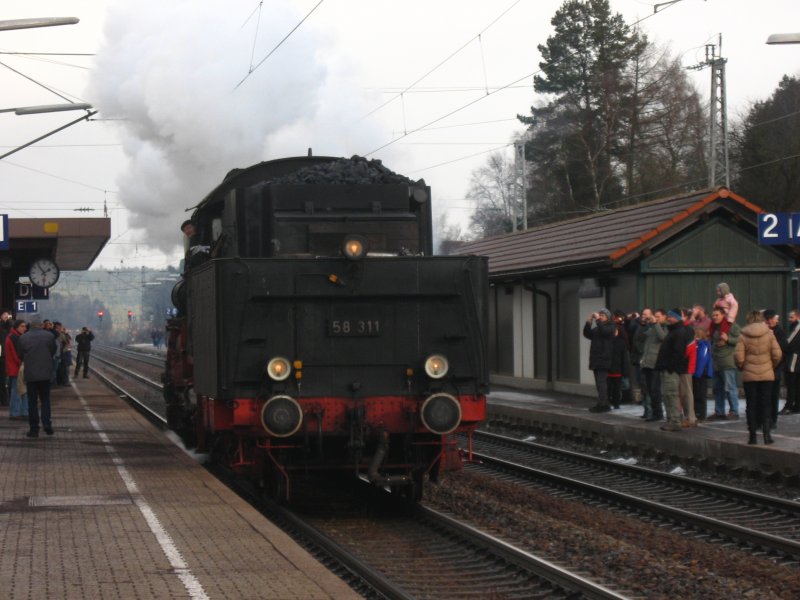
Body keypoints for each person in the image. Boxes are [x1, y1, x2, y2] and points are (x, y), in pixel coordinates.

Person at [735, 310, 782, 445]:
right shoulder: (769, 333)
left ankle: (752, 436)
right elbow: (777, 354)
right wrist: (771, 366)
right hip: (767, 375)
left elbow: (739, 357)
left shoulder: (743, 335)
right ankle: (767, 436)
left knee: (751, 404)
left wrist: (742, 367)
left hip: (750, 375)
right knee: (766, 404)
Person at [18, 319, 57, 437]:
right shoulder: (49, 336)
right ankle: (47, 424)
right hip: (45, 373)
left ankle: (34, 428)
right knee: (45, 400)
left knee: (32, 402)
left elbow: (20, 354)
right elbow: (53, 351)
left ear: (30, 325)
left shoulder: (23, 337)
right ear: (41, 325)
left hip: (31, 374)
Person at [655, 309, 690, 432]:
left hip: (671, 370)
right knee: (666, 395)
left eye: (671, 316)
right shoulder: (673, 331)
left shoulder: (678, 332)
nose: (668, 318)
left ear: (677, 317)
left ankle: (675, 421)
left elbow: (678, 353)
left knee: (671, 395)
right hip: (667, 368)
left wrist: (670, 367)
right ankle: (671, 419)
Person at [709, 307, 742, 420]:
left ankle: (734, 411)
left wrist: (728, 339)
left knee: (730, 388)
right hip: (716, 362)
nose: (714, 317)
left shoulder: (732, 326)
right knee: (717, 389)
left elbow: (741, 339)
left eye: (717, 315)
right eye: (713, 315)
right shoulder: (713, 327)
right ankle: (719, 412)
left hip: (727, 362)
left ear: (723, 315)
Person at [583, 308, 616, 413]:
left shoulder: (611, 326)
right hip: (596, 359)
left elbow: (605, 332)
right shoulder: (598, 328)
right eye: (599, 315)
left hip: (604, 359)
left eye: (602, 315)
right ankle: (603, 403)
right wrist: (588, 322)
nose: (600, 317)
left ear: (608, 317)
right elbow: (587, 334)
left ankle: (603, 405)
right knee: (599, 383)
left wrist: (597, 320)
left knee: (601, 382)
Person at [639, 308, 668, 421]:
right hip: (647, 362)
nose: (656, 318)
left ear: (664, 317)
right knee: (649, 390)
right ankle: (654, 413)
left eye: (658, 316)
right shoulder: (652, 328)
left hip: (656, 364)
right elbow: (641, 337)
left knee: (655, 390)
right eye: (655, 316)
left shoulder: (666, 327)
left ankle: (658, 413)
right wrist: (644, 324)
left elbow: (663, 338)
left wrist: (656, 324)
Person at [763, 309, 787, 429]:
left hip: (775, 368)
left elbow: (783, 350)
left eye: (771, 319)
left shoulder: (780, 332)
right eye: (767, 319)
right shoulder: (763, 331)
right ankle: (765, 419)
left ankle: (772, 420)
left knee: (773, 395)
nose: (770, 321)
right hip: (764, 367)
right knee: (764, 396)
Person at [5, 320, 28, 420]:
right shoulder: (15, 338)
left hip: (13, 368)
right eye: (22, 326)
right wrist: (23, 363)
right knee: (18, 391)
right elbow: (16, 355)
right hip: (16, 369)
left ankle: (18, 412)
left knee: (18, 391)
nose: (24, 328)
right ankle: (16, 412)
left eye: (25, 326)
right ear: (17, 327)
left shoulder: (13, 336)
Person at [691, 327, 713, 421]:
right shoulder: (701, 345)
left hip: (700, 373)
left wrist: (697, 373)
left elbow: (701, 360)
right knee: (697, 394)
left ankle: (700, 414)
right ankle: (698, 413)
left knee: (700, 394)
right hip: (698, 372)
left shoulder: (702, 345)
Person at [781, 309, 800, 414]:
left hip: (794, 359)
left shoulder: (797, 327)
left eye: (791, 317)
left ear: (798, 317)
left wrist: (782, 347)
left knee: (791, 384)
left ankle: (789, 406)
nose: (789, 319)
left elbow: (789, 342)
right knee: (796, 384)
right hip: (795, 359)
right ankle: (797, 406)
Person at [607, 326, 630, 410]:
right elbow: (624, 358)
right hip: (617, 370)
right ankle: (616, 403)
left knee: (609, 388)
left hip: (609, 369)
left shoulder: (607, 341)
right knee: (616, 388)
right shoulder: (621, 342)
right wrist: (625, 371)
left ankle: (609, 402)